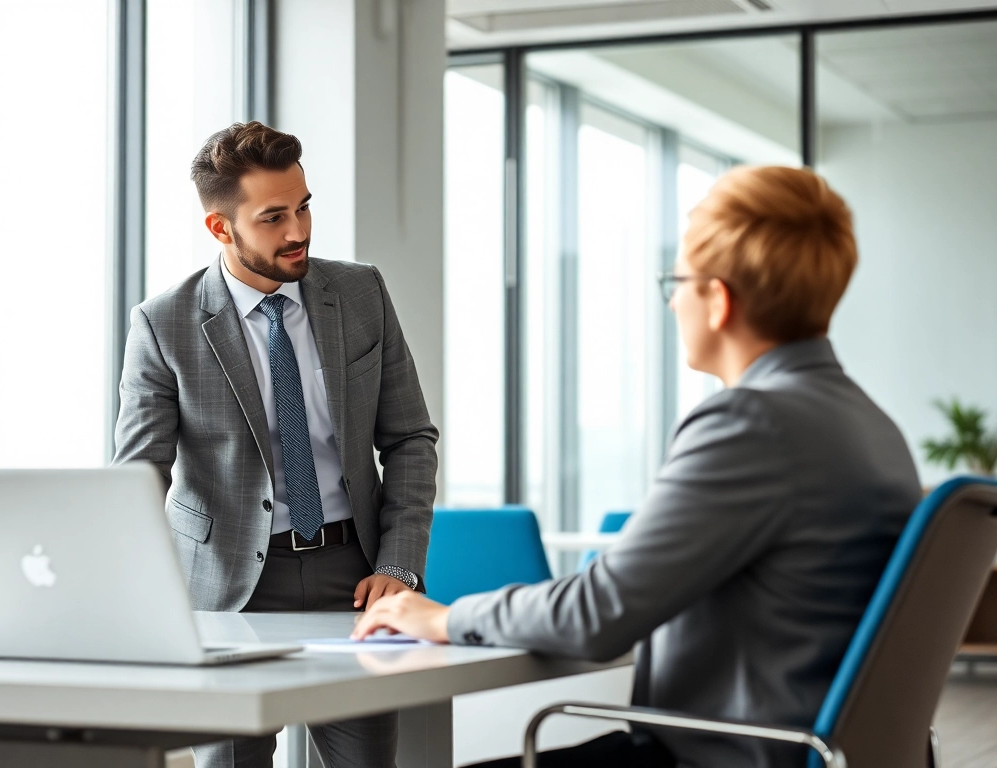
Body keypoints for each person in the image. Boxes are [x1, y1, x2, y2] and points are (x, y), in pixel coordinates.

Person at [352, 165, 923, 768]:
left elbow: (599, 612)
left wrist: (446, 617)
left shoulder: (752, 424)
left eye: (677, 281)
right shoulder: (872, 426)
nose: (673, 301)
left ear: (718, 299)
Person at [113, 121, 438, 768]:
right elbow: (138, 479)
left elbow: (410, 438)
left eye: (304, 207)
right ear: (221, 228)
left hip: (356, 576)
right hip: (228, 586)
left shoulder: (361, 293)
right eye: (273, 218)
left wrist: (399, 565)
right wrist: (137, 598)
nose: (299, 231)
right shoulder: (164, 323)